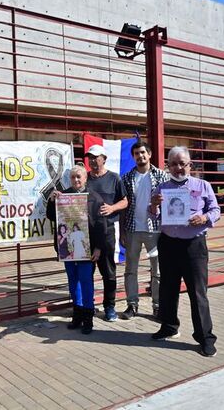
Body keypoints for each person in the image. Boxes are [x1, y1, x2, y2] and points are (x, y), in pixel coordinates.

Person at [149, 146, 220, 357]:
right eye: (173, 163)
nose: (178, 168)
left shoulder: (203, 185)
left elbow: (216, 210)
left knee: (198, 293)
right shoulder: (161, 188)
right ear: (168, 166)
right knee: (168, 289)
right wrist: (153, 206)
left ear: (190, 164)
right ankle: (169, 327)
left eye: (182, 163)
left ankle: (205, 338)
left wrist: (205, 218)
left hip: (194, 246)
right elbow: (153, 217)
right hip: (169, 243)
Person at [47, 166, 107, 334]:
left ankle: (88, 317)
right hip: (68, 250)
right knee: (73, 282)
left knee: (86, 282)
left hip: (87, 250)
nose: (76, 180)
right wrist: (52, 201)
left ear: (86, 178)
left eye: (79, 177)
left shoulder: (94, 198)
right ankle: (77, 314)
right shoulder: (63, 196)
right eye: (73, 177)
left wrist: (98, 248)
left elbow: (102, 226)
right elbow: (52, 217)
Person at [120, 141, 168, 320]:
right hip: (133, 229)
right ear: (133, 157)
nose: (140, 156)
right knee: (130, 270)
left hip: (155, 230)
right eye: (136, 154)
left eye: (142, 153)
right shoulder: (126, 178)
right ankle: (132, 305)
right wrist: (123, 232)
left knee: (157, 271)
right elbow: (125, 206)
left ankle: (157, 306)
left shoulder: (161, 176)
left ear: (149, 154)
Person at [85, 144, 128, 322]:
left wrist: (112, 208)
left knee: (108, 271)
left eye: (96, 157)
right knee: (86, 272)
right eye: (90, 157)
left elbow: (125, 201)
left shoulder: (114, 178)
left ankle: (109, 307)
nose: (93, 161)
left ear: (104, 159)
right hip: (86, 232)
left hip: (108, 231)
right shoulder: (83, 178)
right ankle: (88, 305)